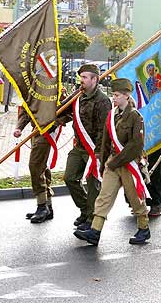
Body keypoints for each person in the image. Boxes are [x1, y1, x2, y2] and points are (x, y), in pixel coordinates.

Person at [74, 78, 150, 245]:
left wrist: (115, 162)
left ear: (126, 96)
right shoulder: (112, 115)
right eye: (113, 95)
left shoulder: (136, 117)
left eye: (116, 95)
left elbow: (136, 145)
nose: (113, 98)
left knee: (135, 198)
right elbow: (106, 142)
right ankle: (95, 231)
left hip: (129, 164)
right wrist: (103, 163)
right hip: (112, 162)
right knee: (104, 196)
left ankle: (143, 228)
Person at [60, 64, 112, 230]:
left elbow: (104, 130)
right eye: (80, 77)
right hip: (79, 146)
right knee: (69, 177)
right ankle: (85, 209)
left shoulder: (102, 101)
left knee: (92, 186)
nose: (80, 80)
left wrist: (98, 153)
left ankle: (91, 219)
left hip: (94, 149)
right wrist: (57, 120)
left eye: (84, 77)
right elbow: (68, 113)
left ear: (94, 79)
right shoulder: (79, 96)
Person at [13, 110, 55, 223]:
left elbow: (67, 113)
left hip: (47, 132)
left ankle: (42, 206)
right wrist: (19, 127)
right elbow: (26, 109)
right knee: (42, 168)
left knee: (35, 167)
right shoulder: (33, 92)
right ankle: (48, 206)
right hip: (36, 130)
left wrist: (52, 123)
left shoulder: (54, 92)